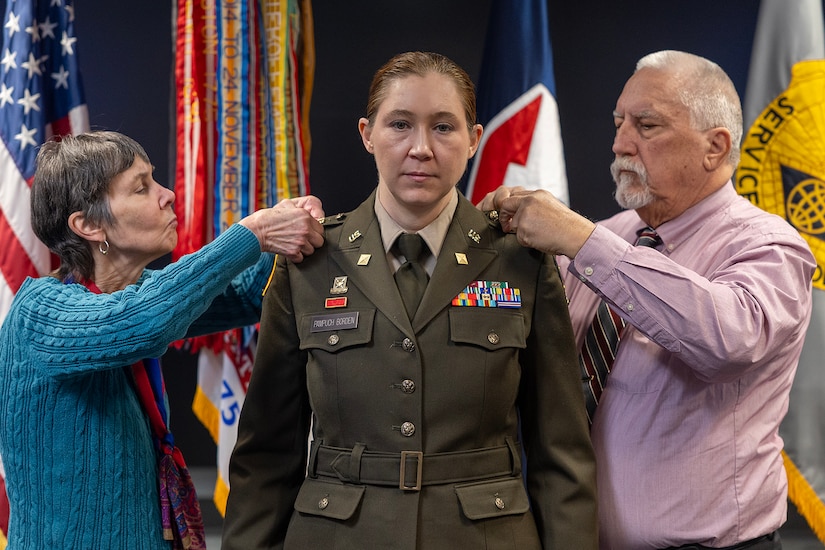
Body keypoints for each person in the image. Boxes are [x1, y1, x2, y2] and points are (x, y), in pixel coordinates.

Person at [221, 51, 597, 549]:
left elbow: (561, 451)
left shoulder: (520, 260)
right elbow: (267, 453)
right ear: (366, 134)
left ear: (474, 141)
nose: (420, 148)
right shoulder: (309, 261)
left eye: (444, 127)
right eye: (400, 124)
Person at [481, 50, 816, 549]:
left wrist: (580, 239)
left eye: (647, 125)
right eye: (618, 123)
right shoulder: (606, 240)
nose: (619, 144)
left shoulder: (769, 245)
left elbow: (725, 341)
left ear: (714, 146)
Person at [0, 130, 325, 549]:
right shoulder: (40, 312)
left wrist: (298, 227)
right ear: (88, 224)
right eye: (141, 187)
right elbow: (147, 320)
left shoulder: (131, 293)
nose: (167, 194)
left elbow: (246, 294)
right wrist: (251, 233)